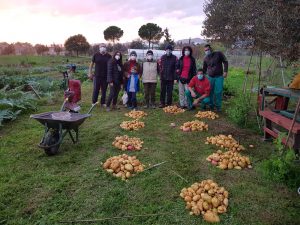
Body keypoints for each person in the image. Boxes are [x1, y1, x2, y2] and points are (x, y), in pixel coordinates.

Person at [202, 44, 228, 112]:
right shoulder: (205, 58)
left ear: (211, 49)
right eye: (205, 50)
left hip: (219, 76)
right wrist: (202, 76)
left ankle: (218, 107)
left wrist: (225, 71)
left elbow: (225, 61)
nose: (206, 51)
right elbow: (204, 69)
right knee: (210, 91)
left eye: (207, 50)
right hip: (210, 77)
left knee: (218, 92)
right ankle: (211, 105)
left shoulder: (218, 54)